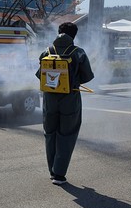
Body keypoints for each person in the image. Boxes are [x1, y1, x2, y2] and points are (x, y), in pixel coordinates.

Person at [36, 22, 94, 185]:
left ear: (58, 33)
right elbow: (87, 76)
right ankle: (59, 174)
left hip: (49, 99)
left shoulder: (46, 52)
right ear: (74, 36)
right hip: (70, 98)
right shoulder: (78, 53)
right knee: (67, 134)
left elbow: (40, 75)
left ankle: (52, 171)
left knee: (50, 133)